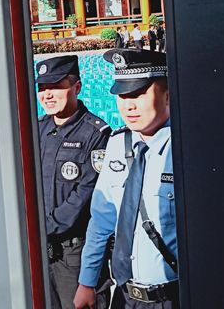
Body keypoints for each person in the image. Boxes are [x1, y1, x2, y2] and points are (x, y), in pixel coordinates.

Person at [75, 49, 176, 309]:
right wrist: (86, 282)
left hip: (172, 297)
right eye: (122, 95)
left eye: (138, 94)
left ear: (168, 95)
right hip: (125, 297)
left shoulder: (186, 149)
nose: (129, 106)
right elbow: (101, 220)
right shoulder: (118, 144)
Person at [35, 55, 112, 309]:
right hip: (40, 249)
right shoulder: (36, 129)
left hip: (75, 255)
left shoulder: (96, 133)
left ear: (76, 87)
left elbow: (86, 193)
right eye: (42, 88)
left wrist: (42, 227)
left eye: (56, 86)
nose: (47, 95)